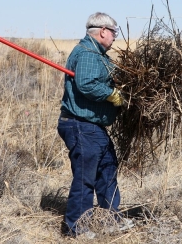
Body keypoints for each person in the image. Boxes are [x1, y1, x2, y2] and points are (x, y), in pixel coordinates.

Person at [57, 12, 133, 237]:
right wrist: (112, 95)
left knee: (107, 169)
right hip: (80, 124)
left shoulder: (98, 54)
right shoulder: (89, 53)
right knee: (85, 176)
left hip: (91, 126)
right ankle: (76, 229)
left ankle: (110, 219)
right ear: (102, 31)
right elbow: (88, 84)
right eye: (114, 32)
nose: (115, 37)